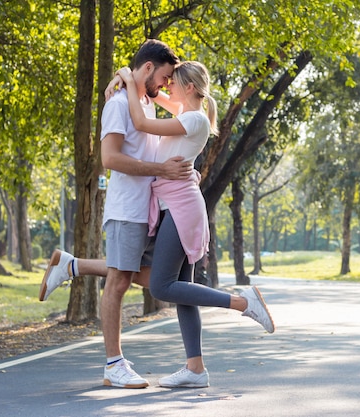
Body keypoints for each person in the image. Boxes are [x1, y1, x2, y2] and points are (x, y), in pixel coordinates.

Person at [39, 39, 191, 390]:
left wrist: (125, 74)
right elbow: (109, 159)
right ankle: (114, 364)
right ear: (149, 68)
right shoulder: (119, 103)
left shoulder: (145, 103)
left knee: (153, 278)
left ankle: (72, 265)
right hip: (126, 209)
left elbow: (188, 99)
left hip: (147, 210)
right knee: (120, 281)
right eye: (165, 77)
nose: (167, 85)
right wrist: (161, 170)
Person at [115, 62, 274, 389]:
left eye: (172, 83)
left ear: (189, 87)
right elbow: (158, 100)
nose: (167, 87)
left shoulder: (194, 119)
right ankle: (195, 369)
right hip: (176, 205)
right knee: (183, 293)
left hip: (180, 208)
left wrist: (130, 81)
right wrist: (135, 82)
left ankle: (243, 303)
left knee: (161, 286)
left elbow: (141, 121)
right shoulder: (188, 114)